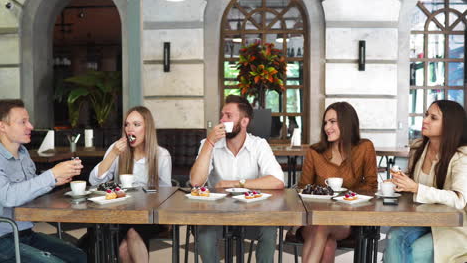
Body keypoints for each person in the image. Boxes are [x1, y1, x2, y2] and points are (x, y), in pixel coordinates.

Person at [190, 95, 284, 263]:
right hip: (215, 214)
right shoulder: (208, 143)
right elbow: (196, 182)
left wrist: (236, 183)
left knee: (269, 230)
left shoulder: (259, 145)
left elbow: (277, 181)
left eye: (228, 115)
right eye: (221, 115)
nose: (221, 119)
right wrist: (209, 143)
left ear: (244, 122)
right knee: (204, 235)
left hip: (253, 213)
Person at [0, 99, 87, 263]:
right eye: (23, 122)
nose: (31, 126)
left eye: (29, 121)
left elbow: (29, 190)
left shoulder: (23, 154)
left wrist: (54, 181)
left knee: (78, 256)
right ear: (2, 126)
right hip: (2, 239)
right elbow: (8, 197)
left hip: (25, 233)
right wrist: (52, 174)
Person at [384, 100, 467, 263]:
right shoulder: (418, 147)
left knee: (414, 252)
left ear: (450, 125)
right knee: (394, 236)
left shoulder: (461, 156)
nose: (425, 120)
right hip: (423, 219)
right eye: (426, 115)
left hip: (453, 226)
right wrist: (399, 182)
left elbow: (459, 199)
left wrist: (415, 188)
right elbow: (415, 182)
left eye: (433, 117)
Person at [89, 106, 172, 263]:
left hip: (150, 215)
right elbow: (94, 181)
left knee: (133, 234)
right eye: (127, 124)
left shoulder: (161, 155)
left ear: (147, 128)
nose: (129, 129)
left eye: (136, 124)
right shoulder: (117, 149)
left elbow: (166, 192)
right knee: (123, 248)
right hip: (121, 213)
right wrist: (113, 154)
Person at [297, 101, 377, 263]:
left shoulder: (364, 147)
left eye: (332, 122)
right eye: (325, 122)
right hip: (313, 218)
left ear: (347, 123)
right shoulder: (315, 152)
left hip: (346, 219)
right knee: (327, 243)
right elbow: (302, 188)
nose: (327, 127)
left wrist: (344, 195)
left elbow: (371, 186)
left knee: (323, 226)